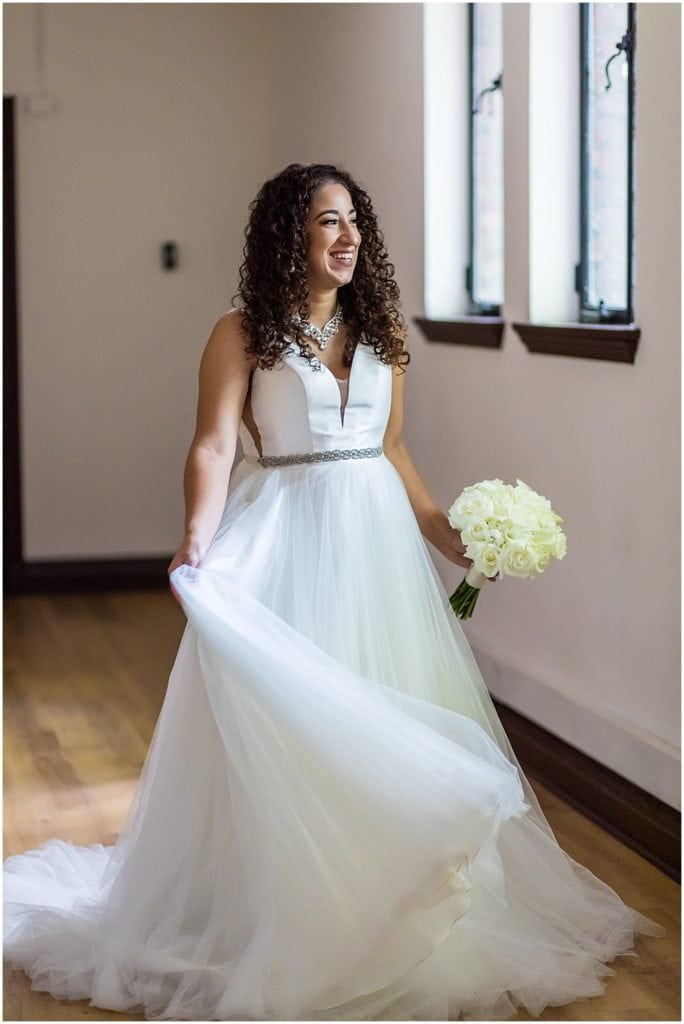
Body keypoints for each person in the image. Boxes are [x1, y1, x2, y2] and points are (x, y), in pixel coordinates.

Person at [4, 163, 664, 1022]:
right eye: (326, 221)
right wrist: (196, 537)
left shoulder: (383, 331)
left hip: (378, 552)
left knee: (386, 712)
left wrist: (451, 539)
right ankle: (287, 913)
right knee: (297, 727)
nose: (348, 236)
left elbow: (392, 451)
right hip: (282, 539)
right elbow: (210, 446)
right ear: (289, 236)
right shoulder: (241, 332)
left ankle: (392, 916)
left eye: (354, 221)